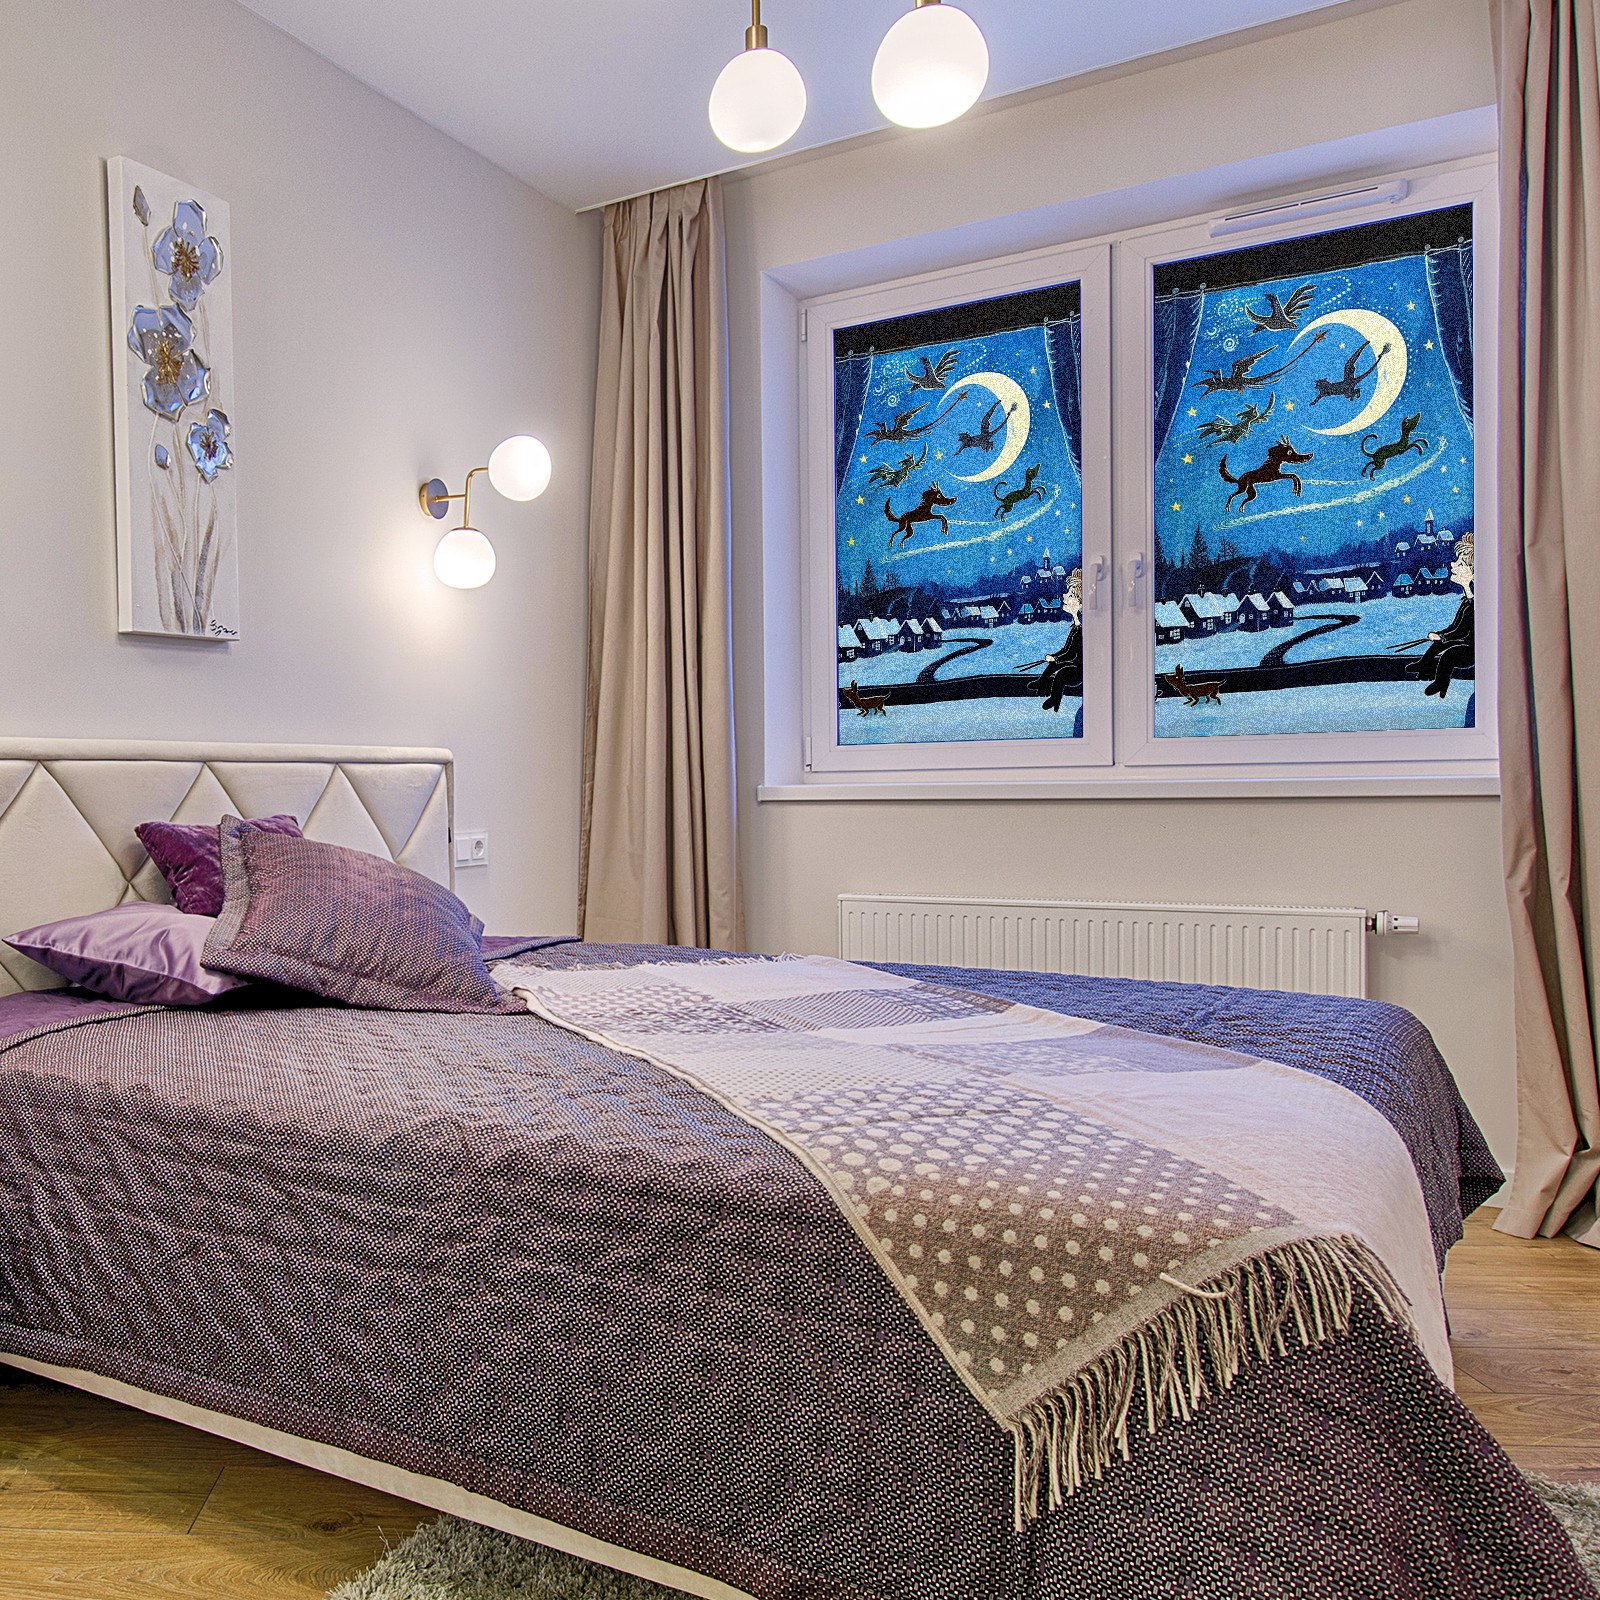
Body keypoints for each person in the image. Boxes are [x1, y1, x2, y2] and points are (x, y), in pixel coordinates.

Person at [1407, 533, 1474, 698]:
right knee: (1439, 644)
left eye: (1460, 564)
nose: (1452, 565)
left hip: (1473, 651)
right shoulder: (1468, 601)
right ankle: (1424, 664)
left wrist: (1442, 637)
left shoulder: (1475, 606)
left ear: (1473, 572)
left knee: (1448, 655)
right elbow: (1454, 627)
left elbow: (1461, 631)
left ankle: (1441, 682)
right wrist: (1439, 636)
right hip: (1465, 642)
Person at [1029, 569, 1083, 713]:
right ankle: (1041, 683)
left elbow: (1071, 654)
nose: (1065, 596)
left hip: (1080, 670)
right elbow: (1066, 650)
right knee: (1054, 664)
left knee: (1061, 674)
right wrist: (1054, 657)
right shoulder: (1076, 627)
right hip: (1073, 663)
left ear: (1081, 604)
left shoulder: (1082, 630)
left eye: (1071, 595)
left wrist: (1056, 658)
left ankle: (1055, 699)